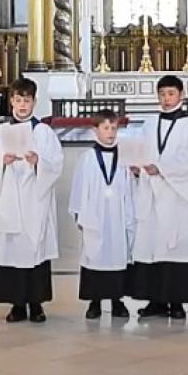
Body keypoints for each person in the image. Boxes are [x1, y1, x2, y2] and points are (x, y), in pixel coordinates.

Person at [129, 75, 188, 321]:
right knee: (152, 245)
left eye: (171, 94)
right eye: (162, 94)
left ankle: (177, 301)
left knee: (176, 246)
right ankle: (155, 300)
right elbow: (141, 150)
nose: (166, 99)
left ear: (181, 96)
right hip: (152, 192)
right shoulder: (149, 124)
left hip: (177, 195)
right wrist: (137, 168)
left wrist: (162, 169)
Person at [0, 78, 63, 322]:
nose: (22, 105)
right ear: (11, 102)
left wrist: (39, 161)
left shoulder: (43, 132)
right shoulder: (0, 132)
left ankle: (36, 304)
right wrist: (1, 162)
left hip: (34, 200)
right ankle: (17, 304)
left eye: (26, 100)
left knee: (34, 248)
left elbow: (56, 163)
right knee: (11, 251)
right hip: (9, 197)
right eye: (18, 100)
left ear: (34, 102)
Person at [69, 109, 134, 321]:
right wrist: (79, 213)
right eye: (105, 128)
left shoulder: (125, 156)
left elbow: (132, 186)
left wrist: (136, 177)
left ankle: (117, 301)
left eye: (114, 128)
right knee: (94, 254)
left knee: (117, 254)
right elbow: (79, 187)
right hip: (94, 215)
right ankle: (94, 301)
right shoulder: (87, 158)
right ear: (95, 130)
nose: (111, 133)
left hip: (117, 214)